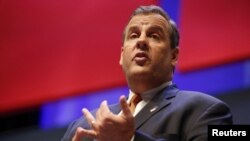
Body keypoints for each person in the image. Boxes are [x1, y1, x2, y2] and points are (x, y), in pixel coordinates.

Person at [61, 5, 233, 141]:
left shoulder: (207, 110)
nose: (141, 41)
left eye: (154, 36)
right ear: (122, 55)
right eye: (134, 35)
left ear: (174, 56)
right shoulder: (82, 126)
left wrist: (131, 139)